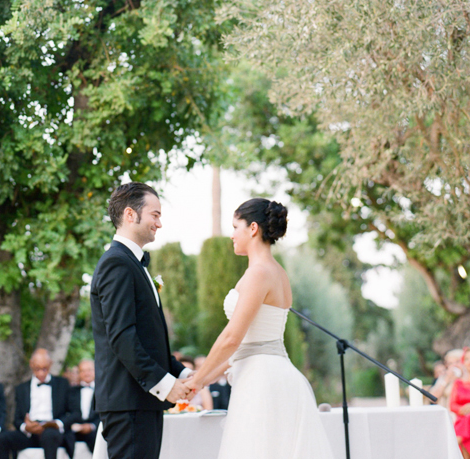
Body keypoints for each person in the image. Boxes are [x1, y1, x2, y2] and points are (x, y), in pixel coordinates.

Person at [183, 198, 335, 459]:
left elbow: (232, 337)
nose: (231, 235)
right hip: (271, 372)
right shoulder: (275, 271)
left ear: (252, 228)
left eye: (235, 227)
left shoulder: (259, 273)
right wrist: (201, 380)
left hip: (263, 382)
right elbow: (244, 349)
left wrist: (196, 379)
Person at [90, 181, 191, 459]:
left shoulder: (133, 264)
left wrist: (182, 374)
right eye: (155, 215)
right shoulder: (117, 263)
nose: (159, 223)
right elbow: (122, 338)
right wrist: (166, 384)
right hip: (128, 402)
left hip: (141, 401)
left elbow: (149, 338)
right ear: (130, 215)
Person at [0, 349, 71, 459]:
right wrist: (26, 427)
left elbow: (74, 413)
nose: (41, 373)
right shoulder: (21, 388)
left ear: (51, 364)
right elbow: (17, 419)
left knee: (48, 436)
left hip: (52, 431)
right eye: (37, 369)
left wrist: (55, 424)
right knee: (1, 438)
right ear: (31, 365)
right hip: (29, 433)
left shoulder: (63, 384)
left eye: (45, 368)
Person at [63, 360, 99, 458]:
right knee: (66, 436)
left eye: (89, 370)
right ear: (79, 373)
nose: (86, 373)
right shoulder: (70, 392)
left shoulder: (103, 391)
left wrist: (91, 426)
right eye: (83, 371)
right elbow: (66, 411)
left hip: (95, 428)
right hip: (74, 428)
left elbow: (104, 415)